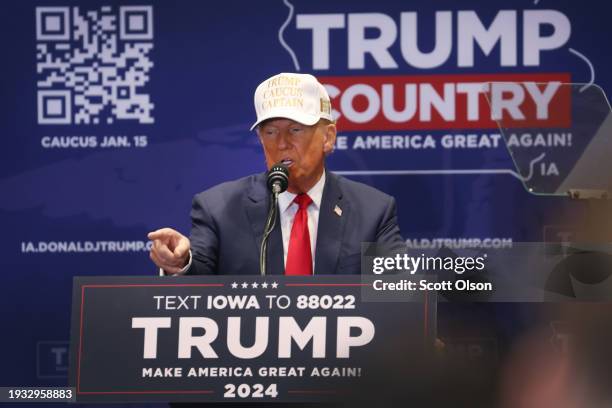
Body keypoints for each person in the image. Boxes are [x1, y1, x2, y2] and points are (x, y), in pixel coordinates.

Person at [148, 72, 404, 275]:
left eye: (295, 130)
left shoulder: (373, 211)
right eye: (270, 132)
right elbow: (198, 282)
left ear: (328, 138)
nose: (281, 143)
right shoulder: (218, 208)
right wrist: (180, 262)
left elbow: (396, 296)